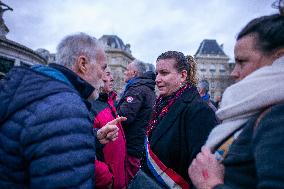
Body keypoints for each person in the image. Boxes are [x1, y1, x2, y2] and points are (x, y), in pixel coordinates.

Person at [0, 32, 123, 188]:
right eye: (103, 67)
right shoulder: (67, 107)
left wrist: (93, 137)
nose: (104, 77)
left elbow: (43, 138)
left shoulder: (34, 89)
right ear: (83, 64)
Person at [188, 1, 284, 188]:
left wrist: (210, 184)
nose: (233, 72)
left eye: (242, 62)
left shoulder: (278, 117)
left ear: (279, 59)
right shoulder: (257, 111)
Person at [136, 51, 218, 189]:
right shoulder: (161, 105)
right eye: (157, 73)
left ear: (183, 75)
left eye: (164, 73)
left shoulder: (199, 110)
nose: (157, 79)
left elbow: (201, 172)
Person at [116, 59, 156, 182]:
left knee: (128, 180)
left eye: (127, 70)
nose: (124, 72)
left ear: (134, 73)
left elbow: (124, 116)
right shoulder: (146, 88)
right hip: (138, 142)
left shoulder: (137, 89)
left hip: (131, 144)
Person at [91, 67, 127, 189]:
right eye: (107, 74)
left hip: (118, 177)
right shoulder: (91, 106)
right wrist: (106, 177)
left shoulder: (110, 101)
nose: (112, 78)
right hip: (107, 182)